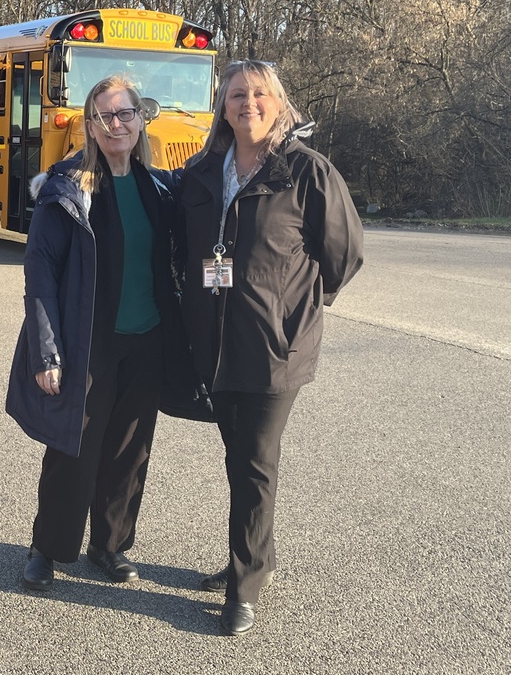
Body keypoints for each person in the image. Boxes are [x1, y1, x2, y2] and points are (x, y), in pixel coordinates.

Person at [173, 60, 364, 635]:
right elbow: (187, 251)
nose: (247, 103)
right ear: (223, 107)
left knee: (256, 461)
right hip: (215, 344)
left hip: (274, 348)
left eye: (259, 94)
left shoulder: (306, 172)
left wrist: (293, 309)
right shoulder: (204, 170)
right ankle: (253, 559)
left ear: (279, 103)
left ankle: (245, 586)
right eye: (236, 95)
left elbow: (344, 255)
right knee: (240, 459)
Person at [5, 75, 175, 591]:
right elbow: (41, 275)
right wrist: (46, 352)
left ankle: (110, 545)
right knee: (72, 446)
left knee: (129, 448)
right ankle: (48, 547)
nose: (116, 124)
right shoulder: (66, 188)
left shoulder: (158, 186)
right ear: (90, 125)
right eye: (104, 116)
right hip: (87, 339)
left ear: (141, 118)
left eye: (125, 113)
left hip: (146, 340)